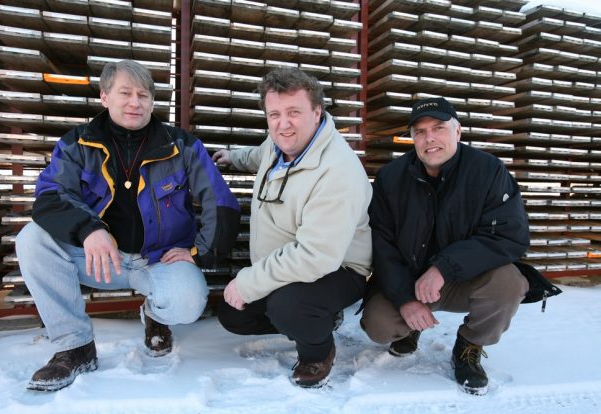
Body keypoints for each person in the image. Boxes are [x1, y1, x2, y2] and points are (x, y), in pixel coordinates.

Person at [15, 60, 240, 391]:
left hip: (158, 260)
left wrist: (200, 251)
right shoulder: (77, 144)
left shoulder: (183, 146)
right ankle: (74, 346)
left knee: (189, 301)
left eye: (144, 94)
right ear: (105, 97)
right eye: (126, 93)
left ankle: (155, 316)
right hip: (98, 259)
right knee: (31, 239)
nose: (136, 102)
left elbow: (220, 201)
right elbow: (49, 196)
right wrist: (89, 229)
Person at [361, 97, 533, 396]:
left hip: (466, 280)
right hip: (410, 280)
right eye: (420, 131)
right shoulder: (391, 178)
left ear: (458, 132)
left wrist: (444, 266)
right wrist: (405, 298)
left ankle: (469, 345)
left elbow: (511, 237)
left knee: (509, 283)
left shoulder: (489, 171)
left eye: (438, 128)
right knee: (378, 326)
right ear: (412, 138)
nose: (430, 138)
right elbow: (381, 245)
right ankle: (411, 326)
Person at [212, 68, 372, 388]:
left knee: (289, 307)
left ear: (317, 112)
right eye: (275, 114)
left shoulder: (337, 172)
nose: (283, 124)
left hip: (340, 266)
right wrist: (233, 157)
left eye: (294, 112)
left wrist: (249, 282)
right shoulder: (280, 143)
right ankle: (318, 318)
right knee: (234, 315)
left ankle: (318, 351)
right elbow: (259, 154)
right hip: (287, 263)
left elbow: (316, 256)